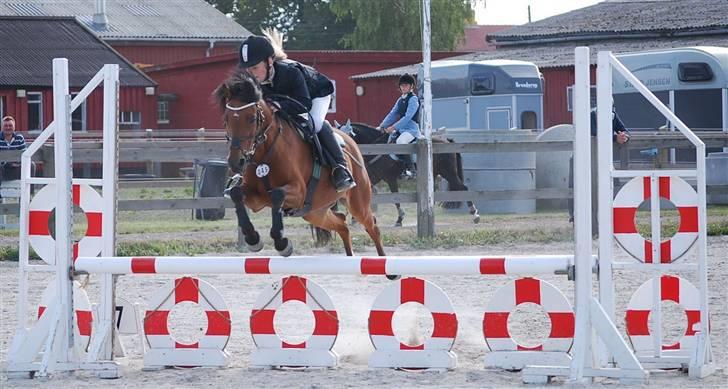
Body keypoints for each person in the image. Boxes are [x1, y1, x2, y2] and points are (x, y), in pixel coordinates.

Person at [237, 30, 355, 193]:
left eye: (255, 67)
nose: (251, 73)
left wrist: (280, 105)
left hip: (315, 95)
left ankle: (340, 168)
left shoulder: (290, 71)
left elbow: (304, 103)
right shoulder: (252, 80)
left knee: (316, 124)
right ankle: (243, 174)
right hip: (288, 101)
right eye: (248, 69)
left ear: (269, 61)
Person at [568, 106, 630, 226]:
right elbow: (593, 134)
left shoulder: (612, 114)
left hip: (602, 159)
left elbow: (624, 130)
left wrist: (624, 137)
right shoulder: (590, 115)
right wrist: (615, 138)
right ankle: (575, 216)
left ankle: (611, 218)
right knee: (578, 187)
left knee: (612, 184)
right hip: (583, 158)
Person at [377, 74, 421, 178]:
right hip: (401, 129)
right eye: (402, 85)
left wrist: (394, 127)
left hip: (411, 130)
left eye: (406, 85)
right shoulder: (400, 100)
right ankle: (400, 169)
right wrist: (382, 126)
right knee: (389, 141)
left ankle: (412, 170)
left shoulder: (413, 99)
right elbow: (393, 114)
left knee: (401, 142)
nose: (403, 87)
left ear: (411, 86)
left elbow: (408, 117)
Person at [0, 116, 26, 188]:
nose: (8, 128)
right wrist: (7, 163)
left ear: (14, 127)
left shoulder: (19, 138)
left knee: (31, 165)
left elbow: (25, 155)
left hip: (16, 168)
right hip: (3, 169)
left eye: (10, 125)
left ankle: (29, 194)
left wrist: (15, 163)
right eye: (6, 126)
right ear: (2, 127)